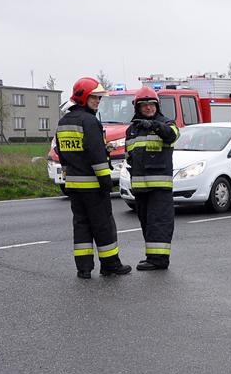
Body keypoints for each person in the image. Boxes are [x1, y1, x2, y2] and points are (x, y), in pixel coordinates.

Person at [55, 77, 131, 279]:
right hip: (93, 186)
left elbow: (62, 153)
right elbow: (96, 156)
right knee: (103, 225)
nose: (98, 101)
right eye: (94, 97)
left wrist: (67, 175)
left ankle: (84, 269)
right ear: (83, 98)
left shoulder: (63, 122)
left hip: (73, 185)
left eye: (99, 98)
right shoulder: (90, 121)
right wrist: (106, 181)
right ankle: (110, 265)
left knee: (81, 226)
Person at [125, 86, 180, 271]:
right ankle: (152, 257)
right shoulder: (132, 130)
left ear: (157, 106)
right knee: (147, 223)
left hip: (159, 187)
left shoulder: (167, 123)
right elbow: (130, 158)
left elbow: (172, 135)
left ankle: (160, 260)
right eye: (144, 105)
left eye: (151, 104)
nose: (148, 108)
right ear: (137, 108)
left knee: (160, 223)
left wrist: (155, 126)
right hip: (140, 188)